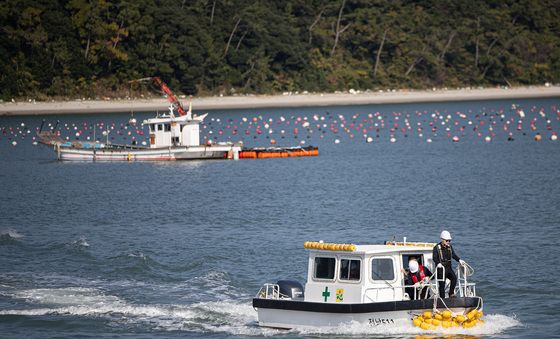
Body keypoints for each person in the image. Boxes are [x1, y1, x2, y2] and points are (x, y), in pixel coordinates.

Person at [432, 230, 465, 298]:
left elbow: (453, 255)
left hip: (448, 268)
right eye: (447, 240)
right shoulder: (436, 248)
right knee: (442, 284)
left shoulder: (449, 247)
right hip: (441, 270)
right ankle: (442, 299)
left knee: (454, 278)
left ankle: (451, 293)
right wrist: (438, 263)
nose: (448, 242)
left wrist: (459, 260)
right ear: (442, 240)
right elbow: (434, 258)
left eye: (449, 240)